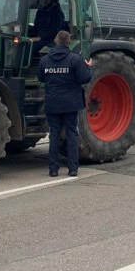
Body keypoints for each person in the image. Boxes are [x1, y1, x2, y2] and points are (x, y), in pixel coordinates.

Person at [37, 30, 93, 177]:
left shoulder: (45, 60)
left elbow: (41, 78)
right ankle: (73, 169)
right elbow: (85, 78)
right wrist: (88, 66)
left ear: (56, 41)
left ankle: (53, 170)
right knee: (72, 134)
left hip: (52, 103)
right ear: (69, 42)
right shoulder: (75, 59)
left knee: (54, 135)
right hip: (70, 104)